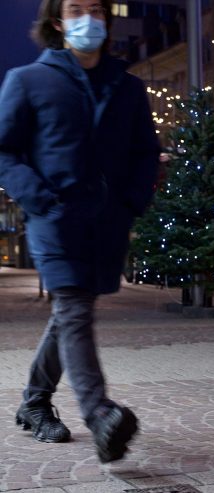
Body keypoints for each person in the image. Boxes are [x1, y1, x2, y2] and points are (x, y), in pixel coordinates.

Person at [0, 0, 160, 461]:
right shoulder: (28, 80)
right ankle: (99, 414)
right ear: (57, 20)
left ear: (106, 20)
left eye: (95, 8)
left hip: (107, 220)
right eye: (75, 8)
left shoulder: (127, 87)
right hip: (53, 217)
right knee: (73, 308)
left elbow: (145, 152)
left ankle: (33, 402)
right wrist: (39, 198)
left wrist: (132, 201)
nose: (86, 17)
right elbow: (5, 152)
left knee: (72, 310)